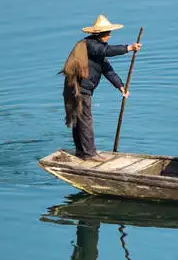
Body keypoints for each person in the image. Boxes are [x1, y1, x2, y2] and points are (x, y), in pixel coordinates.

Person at [60, 14, 141, 160]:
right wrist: (128, 48)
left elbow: (107, 70)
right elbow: (106, 51)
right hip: (78, 88)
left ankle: (82, 151)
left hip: (79, 87)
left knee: (80, 119)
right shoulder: (89, 45)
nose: (109, 36)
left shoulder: (97, 48)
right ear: (100, 34)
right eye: (108, 33)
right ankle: (89, 154)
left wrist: (120, 87)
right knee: (84, 119)